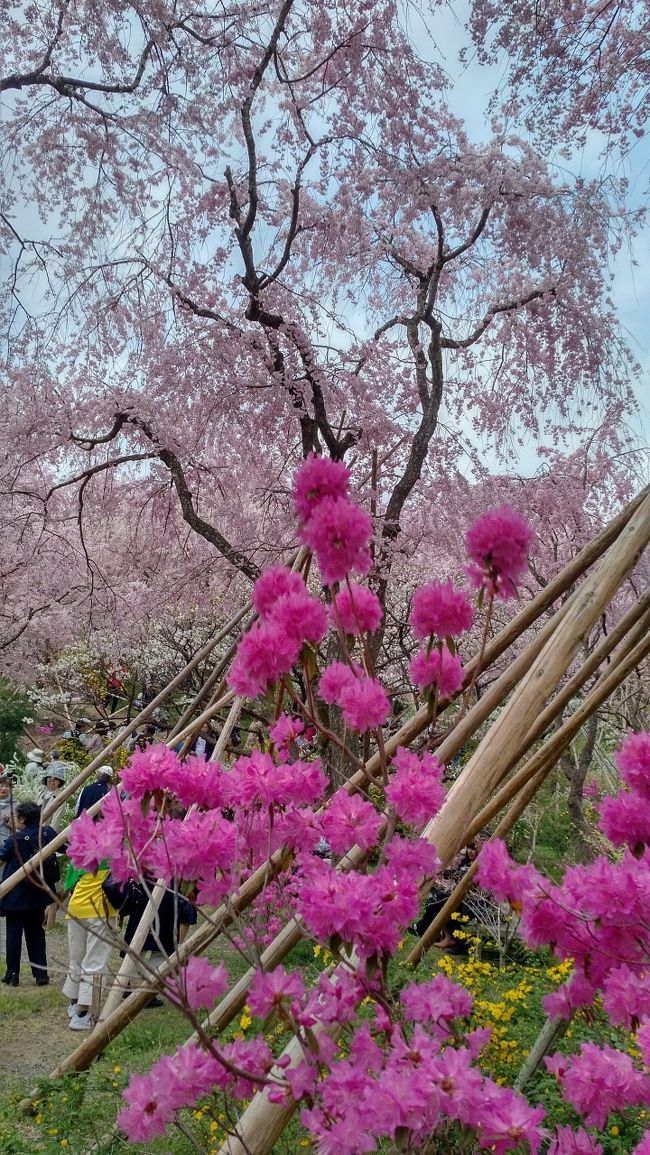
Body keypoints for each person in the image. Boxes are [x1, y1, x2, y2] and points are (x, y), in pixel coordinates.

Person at [0, 801, 59, 985]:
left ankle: (12, 974)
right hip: (39, 893)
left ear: (22, 819)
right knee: (36, 933)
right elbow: (65, 847)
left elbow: (2, 857)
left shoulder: (15, 840)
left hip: (16, 895)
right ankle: (41, 974)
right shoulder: (48, 833)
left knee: (13, 933)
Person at [63, 863, 117, 1030]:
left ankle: (74, 1002)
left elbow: (68, 884)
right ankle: (82, 1013)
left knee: (77, 959)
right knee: (95, 962)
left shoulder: (81, 849)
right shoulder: (114, 848)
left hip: (76, 908)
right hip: (100, 909)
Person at [38, 762, 68, 832]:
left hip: (46, 835)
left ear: (59, 782)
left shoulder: (60, 797)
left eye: (56, 778)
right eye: (50, 777)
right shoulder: (41, 793)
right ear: (46, 779)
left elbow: (54, 824)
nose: (52, 780)